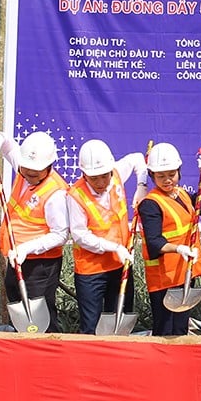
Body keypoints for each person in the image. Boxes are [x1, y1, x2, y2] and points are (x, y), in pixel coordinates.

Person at [0, 130, 69, 332]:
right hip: (16, 257)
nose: (28, 176)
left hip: (40, 264)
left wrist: (27, 248)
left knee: (40, 315)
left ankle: (48, 354)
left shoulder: (56, 192)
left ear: (49, 167)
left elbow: (60, 234)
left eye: (35, 174)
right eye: (25, 171)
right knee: (17, 305)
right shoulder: (24, 169)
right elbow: (8, 146)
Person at [66, 139, 149, 334]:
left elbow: (137, 158)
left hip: (121, 265)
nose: (101, 183)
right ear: (84, 173)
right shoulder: (75, 195)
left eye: (105, 176)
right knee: (92, 327)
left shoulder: (116, 174)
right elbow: (79, 235)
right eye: (94, 178)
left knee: (120, 321)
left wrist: (142, 186)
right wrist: (114, 247)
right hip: (91, 270)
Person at [138, 142, 201, 335]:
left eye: (171, 174)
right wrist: (179, 249)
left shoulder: (182, 194)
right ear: (152, 175)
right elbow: (154, 242)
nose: (167, 180)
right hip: (165, 277)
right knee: (165, 330)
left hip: (185, 271)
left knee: (181, 327)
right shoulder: (150, 204)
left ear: (179, 171)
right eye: (161, 176)